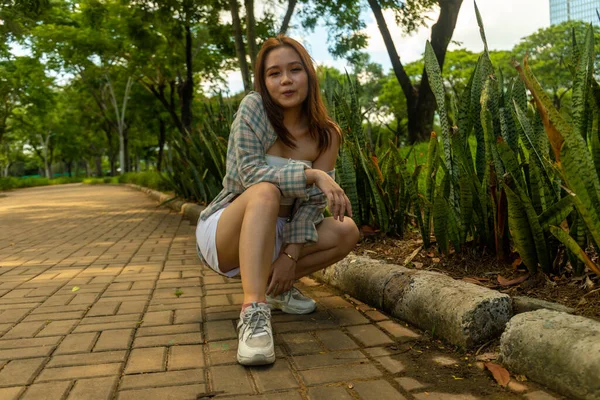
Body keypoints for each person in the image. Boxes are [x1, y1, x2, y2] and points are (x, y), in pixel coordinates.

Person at [196, 35, 360, 366]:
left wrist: (290, 254)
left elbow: (312, 205)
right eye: (274, 73)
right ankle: (254, 314)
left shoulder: (326, 134)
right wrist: (313, 174)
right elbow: (249, 174)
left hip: (280, 232)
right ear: (264, 81)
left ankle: (275, 288)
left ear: (309, 75)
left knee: (347, 231)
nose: (285, 80)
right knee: (265, 190)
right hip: (229, 227)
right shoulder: (254, 108)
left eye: (294, 70)